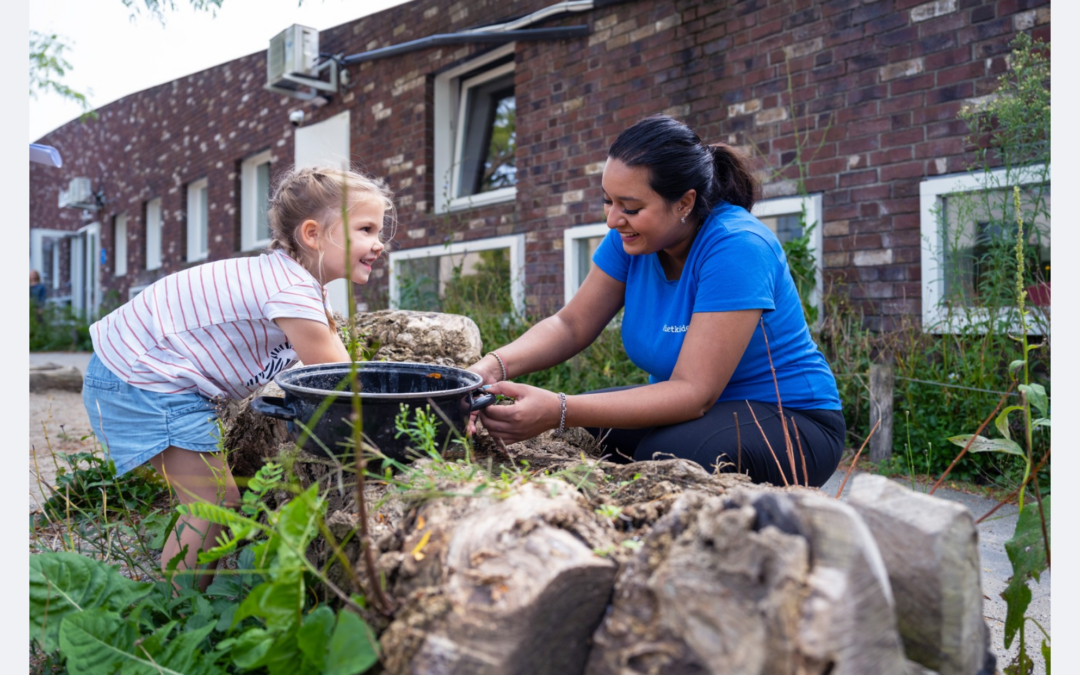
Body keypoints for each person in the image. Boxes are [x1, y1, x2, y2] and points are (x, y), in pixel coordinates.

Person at [469, 115, 844, 488]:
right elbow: (571, 325)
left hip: (791, 420)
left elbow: (694, 393)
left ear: (684, 203)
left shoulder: (737, 245)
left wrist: (559, 409)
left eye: (630, 207)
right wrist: (493, 366)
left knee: (664, 456)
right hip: (697, 414)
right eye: (607, 201)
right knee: (587, 430)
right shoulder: (630, 240)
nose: (613, 219)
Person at [82, 166, 392, 589]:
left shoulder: (292, 281)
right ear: (313, 234)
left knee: (214, 504)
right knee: (211, 504)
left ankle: (183, 604)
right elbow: (343, 383)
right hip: (142, 381)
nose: (380, 243)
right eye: (366, 228)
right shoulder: (290, 290)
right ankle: (170, 619)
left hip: (144, 378)